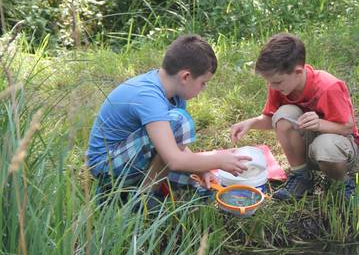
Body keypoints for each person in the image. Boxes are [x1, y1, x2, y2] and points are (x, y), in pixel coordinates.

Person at [86, 34, 251, 207]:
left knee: (200, 186)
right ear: (186, 77)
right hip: (106, 166)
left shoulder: (174, 94)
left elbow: (172, 144)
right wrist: (218, 160)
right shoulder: (149, 97)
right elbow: (174, 160)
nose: (204, 88)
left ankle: (130, 191)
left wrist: (202, 169)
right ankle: (142, 199)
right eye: (203, 82)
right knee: (180, 121)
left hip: (131, 157)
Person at [229, 33, 359, 201]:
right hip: (308, 145)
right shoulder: (280, 86)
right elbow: (272, 119)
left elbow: (347, 127)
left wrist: (319, 124)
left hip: (339, 148)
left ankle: (341, 183)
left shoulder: (328, 87)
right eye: (269, 82)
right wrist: (251, 123)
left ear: (298, 72)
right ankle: (302, 177)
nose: (272, 87)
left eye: (277, 82)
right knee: (284, 115)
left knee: (325, 145)